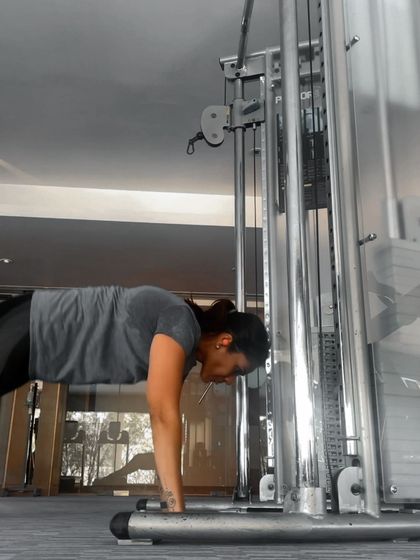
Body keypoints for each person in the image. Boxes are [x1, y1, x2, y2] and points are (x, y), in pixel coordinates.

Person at [0, 285, 269, 512]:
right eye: (237, 370)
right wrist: (176, 512)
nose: (231, 380)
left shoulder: (185, 354)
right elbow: (162, 415)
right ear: (224, 341)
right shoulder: (180, 322)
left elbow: (167, 426)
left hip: (34, 353)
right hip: (30, 325)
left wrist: (170, 503)